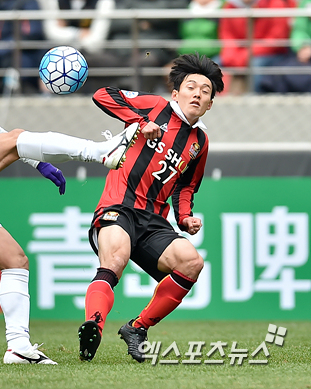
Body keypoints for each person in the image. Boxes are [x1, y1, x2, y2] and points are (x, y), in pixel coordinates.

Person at [0, 45, 139, 364]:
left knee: (14, 260)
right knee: (17, 138)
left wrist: (38, 164)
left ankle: (18, 347)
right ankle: (100, 152)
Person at [77, 53, 224, 363]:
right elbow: (103, 95)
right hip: (119, 205)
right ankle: (94, 325)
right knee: (115, 260)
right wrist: (140, 122)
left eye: (205, 91)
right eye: (191, 87)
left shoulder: (200, 142)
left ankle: (137, 328)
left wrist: (184, 217)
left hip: (155, 221)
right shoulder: (156, 107)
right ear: (176, 94)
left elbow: (186, 186)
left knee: (192, 263)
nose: (197, 93)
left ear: (210, 104)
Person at [218, 0, 296, 94]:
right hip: (241, 53)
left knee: (256, 65)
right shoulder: (230, 6)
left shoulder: (275, 4)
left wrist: (246, 54)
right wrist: (231, 55)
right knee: (214, 64)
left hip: (272, 53)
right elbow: (227, 36)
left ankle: (254, 99)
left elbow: (276, 39)